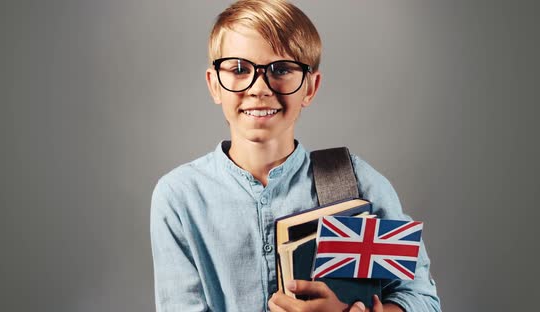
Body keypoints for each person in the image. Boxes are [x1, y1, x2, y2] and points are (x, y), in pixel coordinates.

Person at [150, 0, 441, 311]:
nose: (259, 88)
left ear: (310, 87)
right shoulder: (180, 196)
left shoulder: (356, 185)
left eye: (282, 69)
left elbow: (422, 299)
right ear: (214, 85)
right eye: (238, 69)